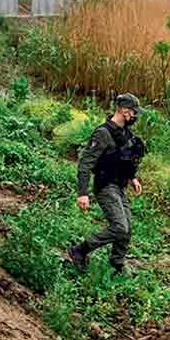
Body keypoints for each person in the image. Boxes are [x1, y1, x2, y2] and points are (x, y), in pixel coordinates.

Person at [69, 93, 148, 275]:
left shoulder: (125, 134)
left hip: (119, 186)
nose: (136, 117)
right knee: (120, 227)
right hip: (105, 186)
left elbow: (125, 159)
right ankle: (80, 250)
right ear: (125, 111)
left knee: (126, 229)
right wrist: (82, 193)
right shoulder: (103, 133)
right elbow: (85, 163)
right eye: (134, 113)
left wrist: (133, 177)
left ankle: (117, 264)